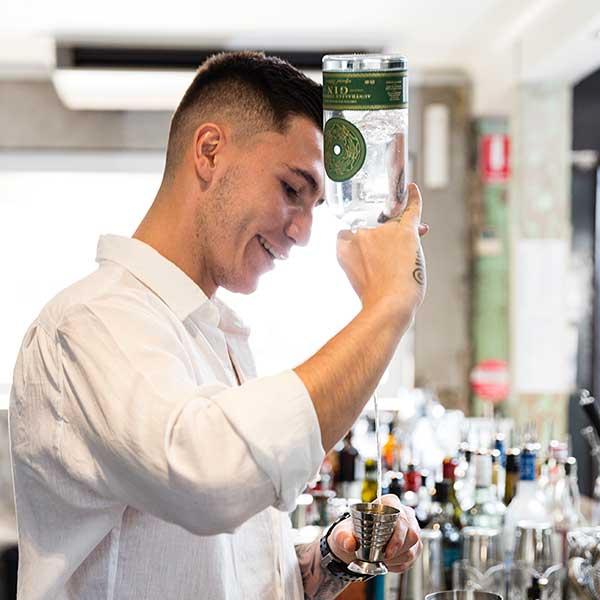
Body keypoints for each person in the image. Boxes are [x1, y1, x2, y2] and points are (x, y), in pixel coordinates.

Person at [9, 51, 428, 599]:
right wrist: (387, 308)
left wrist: (329, 558)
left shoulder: (209, 333)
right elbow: (209, 477)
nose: (303, 232)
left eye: (315, 204)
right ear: (209, 152)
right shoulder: (92, 322)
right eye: (291, 188)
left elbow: (225, 570)